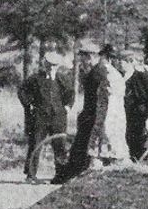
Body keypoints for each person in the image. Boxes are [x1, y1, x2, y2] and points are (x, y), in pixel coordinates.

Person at [17, 52, 72, 182]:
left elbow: (71, 94)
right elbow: (22, 91)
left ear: (58, 66)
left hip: (58, 118)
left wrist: (68, 107)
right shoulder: (35, 78)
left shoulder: (62, 79)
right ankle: (31, 175)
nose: (51, 68)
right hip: (40, 118)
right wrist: (28, 104)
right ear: (44, 64)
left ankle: (61, 175)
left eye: (54, 65)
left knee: (60, 146)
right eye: (49, 65)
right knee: (35, 144)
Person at [56, 40, 104, 182]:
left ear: (91, 57)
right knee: (80, 147)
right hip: (88, 116)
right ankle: (72, 174)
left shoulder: (97, 74)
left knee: (82, 147)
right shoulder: (93, 73)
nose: (82, 62)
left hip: (92, 117)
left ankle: (71, 175)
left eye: (84, 58)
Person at [123, 51, 148, 160]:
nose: (119, 64)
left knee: (137, 135)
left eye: (121, 61)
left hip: (138, 111)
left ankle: (137, 157)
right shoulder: (122, 76)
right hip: (126, 111)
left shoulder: (141, 76)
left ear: (130, 62)